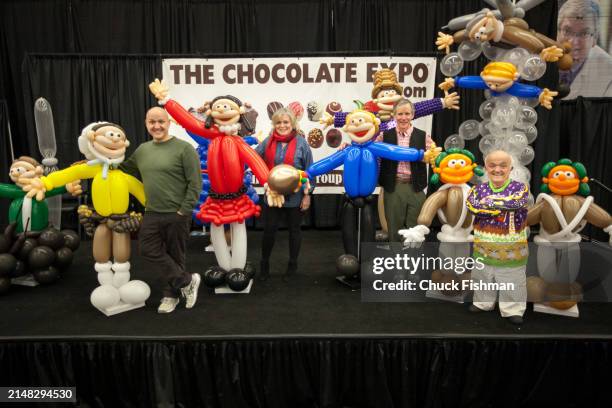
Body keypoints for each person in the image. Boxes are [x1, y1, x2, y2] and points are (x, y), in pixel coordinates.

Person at [121, 107, 202, 313]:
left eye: (161, 121)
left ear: (169, 122)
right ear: (146, 123)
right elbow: (123, 170)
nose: (157, 126)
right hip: (152, 212)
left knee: (175, 256)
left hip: (177, 213)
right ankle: (187, 281)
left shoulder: (184, 149)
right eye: (152, 122)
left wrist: (184, 211)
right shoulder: (142, 150)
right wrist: (99, 163)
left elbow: (195, 183)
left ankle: (170, 297)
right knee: (147, 249)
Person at [466, 150, 529, 325]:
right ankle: (483, 302)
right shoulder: (476, 189)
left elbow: (515, 203)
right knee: (482, 276)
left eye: (503, 165)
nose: (497, 169)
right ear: (486, 167)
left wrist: (490, 202)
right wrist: (499, 205)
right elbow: (473, 206)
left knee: (513, 279)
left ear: (511, 168)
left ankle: (513, 309)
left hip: (511, 248)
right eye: (492, 165)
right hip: (483, 246)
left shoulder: (520, 188)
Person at [255, 108, 313, 281]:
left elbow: (309, 170)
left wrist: (307, 195)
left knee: (294, 231)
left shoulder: (302, 143)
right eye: (278, 122)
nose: (282, 126)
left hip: (295, 196)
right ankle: (264, 264)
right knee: (269, 230)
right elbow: (254, 158)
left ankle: (292, 265)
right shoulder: (267, 142)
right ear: (274, 124)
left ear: (293, 124)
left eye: (286, 122)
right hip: (273, 195)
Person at [378, 99, 436, 243]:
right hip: (393, 187)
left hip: (416, 187)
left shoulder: (423, 136)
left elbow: (435, 156)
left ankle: (413, 260)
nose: (403, 117)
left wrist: (432, 157)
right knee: (394, 227)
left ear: (413, 115)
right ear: (393, 115)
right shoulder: (384, 136)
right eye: (400, 114)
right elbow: (369, 150)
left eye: (407, 113)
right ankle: (396, 260)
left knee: (416, 227)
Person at [557, 0, 612, 98]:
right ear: (557, 32)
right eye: (567, 31)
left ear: (595, 38)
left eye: (584, 33)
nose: (573, 42)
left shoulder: (608, 74)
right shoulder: (535, 55)